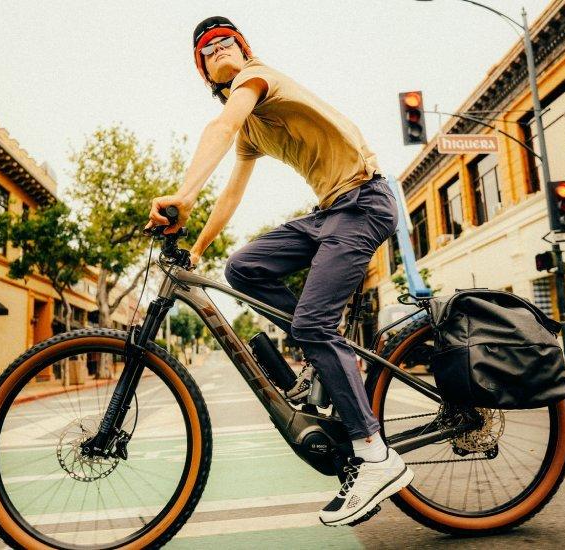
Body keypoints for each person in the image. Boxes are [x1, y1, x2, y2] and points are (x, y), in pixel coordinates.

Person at [146, 16, 412, 526]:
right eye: (206, 49)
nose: (217, 47)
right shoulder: (250, 128)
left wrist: (181, 196)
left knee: (311, 326)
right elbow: (232, 192)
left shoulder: (259, 79)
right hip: (332, 211)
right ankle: (325, 350)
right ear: (204, 72)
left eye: (227, 41)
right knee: (243, 267)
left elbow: (218, 127)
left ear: (244, 54)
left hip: (364, 202)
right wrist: (199, 246)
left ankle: (375, 455)